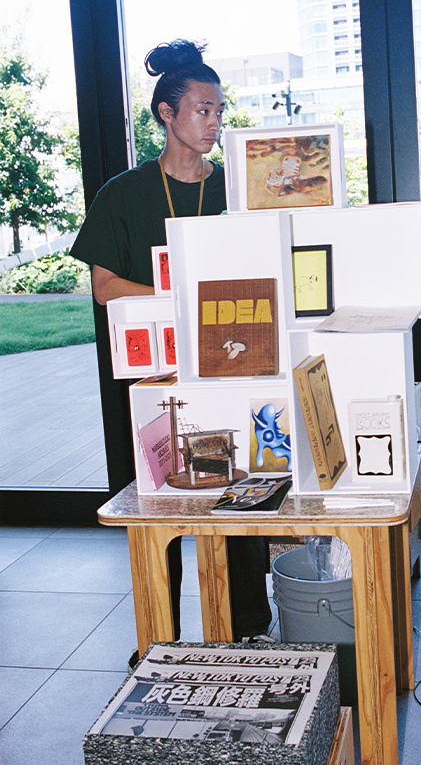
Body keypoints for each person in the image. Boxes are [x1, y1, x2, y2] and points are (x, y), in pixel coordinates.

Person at [72, 39, 272, 657]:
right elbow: (105, 286)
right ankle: (159, 636)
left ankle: (247, 626)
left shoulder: (239, 190)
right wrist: (180, 295)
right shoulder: (124, 193)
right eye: (203, 110)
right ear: (167, 112)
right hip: (156, 375)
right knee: (161, 504)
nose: (214, 122)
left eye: (219, 111)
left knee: (239, 489)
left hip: (234, 366)